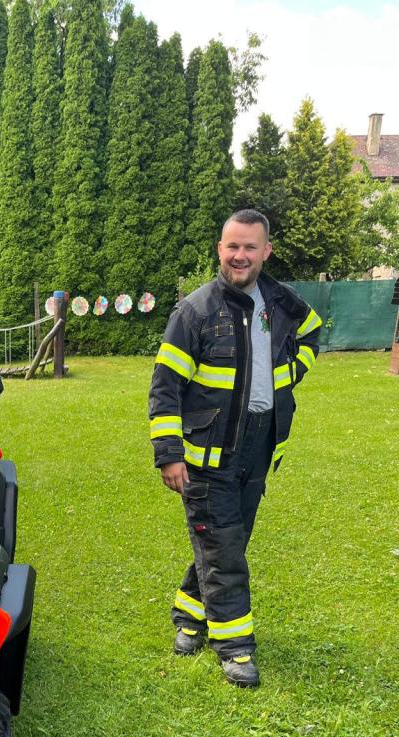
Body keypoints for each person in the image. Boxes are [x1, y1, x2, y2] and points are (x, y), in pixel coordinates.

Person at [148, 209, 321, 688]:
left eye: (249, 247)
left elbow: (312, 331)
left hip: (260, 448)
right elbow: (165, 387)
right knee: (223, 548)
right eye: (232, 246)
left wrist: (291, 372)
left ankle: (189, 615)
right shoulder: (195, 312)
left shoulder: (282, 302)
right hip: (209, 453)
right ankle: (235, 647)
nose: (239, 256)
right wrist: (169, 452)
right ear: (219, 250)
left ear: (266, 251)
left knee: (226, 541)